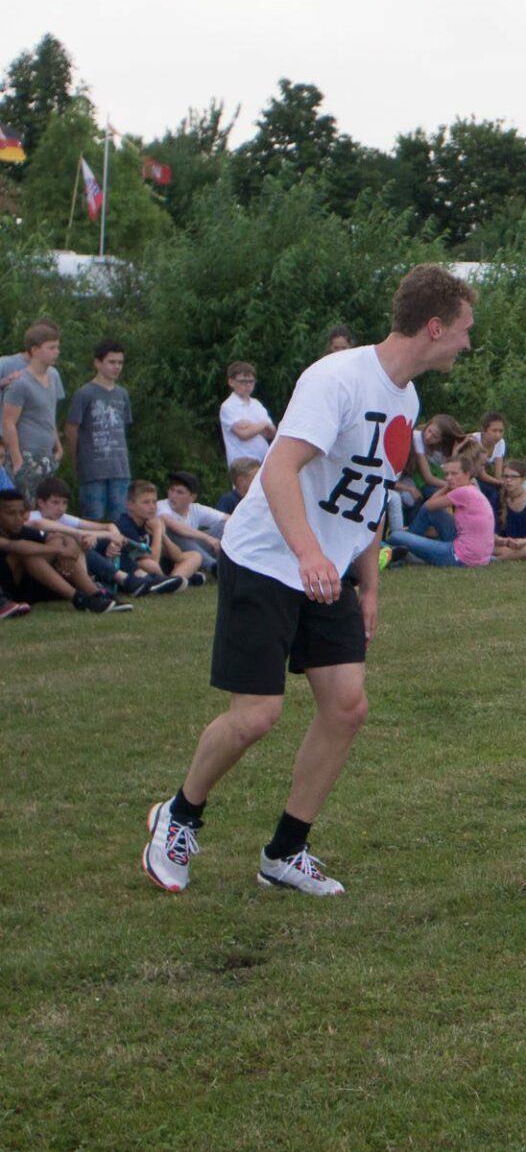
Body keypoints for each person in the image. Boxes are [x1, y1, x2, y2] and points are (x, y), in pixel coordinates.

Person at [141, 262, 474, 897]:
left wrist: (368, 585)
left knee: (347, 707)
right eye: (463, 329)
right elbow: (278, 470)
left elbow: (369, 497)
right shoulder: (336, 378)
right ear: (435, 327)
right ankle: (177, 816)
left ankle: (285, 852)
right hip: (268, 558)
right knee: (256, 716)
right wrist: (308, 554)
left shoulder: (406, 400)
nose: (467, 341)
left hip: (324, 571)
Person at [29, 476, 181, 597]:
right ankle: (131, 579)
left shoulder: (62, 518)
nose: (61, 508)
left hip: (69, 566)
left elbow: (106, 526)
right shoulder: (33, 517)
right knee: (78, 541)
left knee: (101, 542)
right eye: (55, 503)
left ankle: (138, 578)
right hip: (44, 572)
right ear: (41, 503)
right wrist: (83, 534)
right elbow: (40, 524)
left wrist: (113, 535)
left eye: (64, 503)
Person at [0, 487, 131, 613]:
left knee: (62, 543)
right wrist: (59, 550)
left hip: (35, 586)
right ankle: (79, 599)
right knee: (29, 555)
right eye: (11, 513)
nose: (18, 518)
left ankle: (96, 593)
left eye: (21, 513)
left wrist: (66, 551)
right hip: (10, 591)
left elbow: (57, 535)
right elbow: (15, 546)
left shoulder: (23, 530)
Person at [64, 338, 135, 523]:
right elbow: (71, 429)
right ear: (98, 363)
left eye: (120, 362)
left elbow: (124, 428)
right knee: (93, 517)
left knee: (121, 519)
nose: (117, 367)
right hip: (93, 468)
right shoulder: (84, 393)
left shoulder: (122, 394)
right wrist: (75, 460)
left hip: (119, 468)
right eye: (112, 362)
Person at [385, 454, 495, 567]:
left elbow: (427, 506)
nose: (449, 478)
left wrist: (447, 487)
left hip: (460, 557)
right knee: (433, 513)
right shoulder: (472, 490)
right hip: (478, 557)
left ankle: (400, 550)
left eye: (454, 474)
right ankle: (405, 548)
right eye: (447, 474)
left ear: (467, 474)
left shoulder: (463, 492)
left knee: (396, 536)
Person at [2, 320, 65, 498]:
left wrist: (58, 447)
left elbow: (49, 415)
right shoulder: (20, 383)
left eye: (57, 347)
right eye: (51, 348)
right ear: (35, 350)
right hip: (27, 455)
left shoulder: (53, 376)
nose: (56, 352)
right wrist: (17, 461)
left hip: (47, 455)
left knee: (46, 506)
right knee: (25, 507)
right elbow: (8, 422)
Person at [119, 480, 210, 586]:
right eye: (146, 502)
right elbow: (153, 560)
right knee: (150, 564)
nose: (152, 507)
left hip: (158, 568)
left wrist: (163, 535)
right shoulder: (126, 525)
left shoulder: (149, 522)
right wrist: (157, 531)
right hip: (133, 569)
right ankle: (178, 581)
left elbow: (178, 556)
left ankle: (172, 581)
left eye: (154, 502)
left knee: (195, 555)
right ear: (130, 505)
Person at [161, 471, 228, 571]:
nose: (173, 496)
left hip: (194, 551)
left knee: (226, 525)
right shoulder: (162, 506)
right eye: (171, 490)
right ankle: (214, 567)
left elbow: (230, 519)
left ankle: (235, 563)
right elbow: (173, 525)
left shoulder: (195, 509)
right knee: (173, 532)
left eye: (179, 492)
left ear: (192, 497)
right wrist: (207, 538)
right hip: (169, 554)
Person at [218, 361, 276, 467]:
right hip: (243, 464)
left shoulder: (257, 404)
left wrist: (253, 425)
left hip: (264, 460)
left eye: (251, 381)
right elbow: (244, 434)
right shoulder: (228, 406)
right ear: (231, 382)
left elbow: (271, 433)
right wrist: (263, 425)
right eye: (243, 381)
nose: (248, 385)